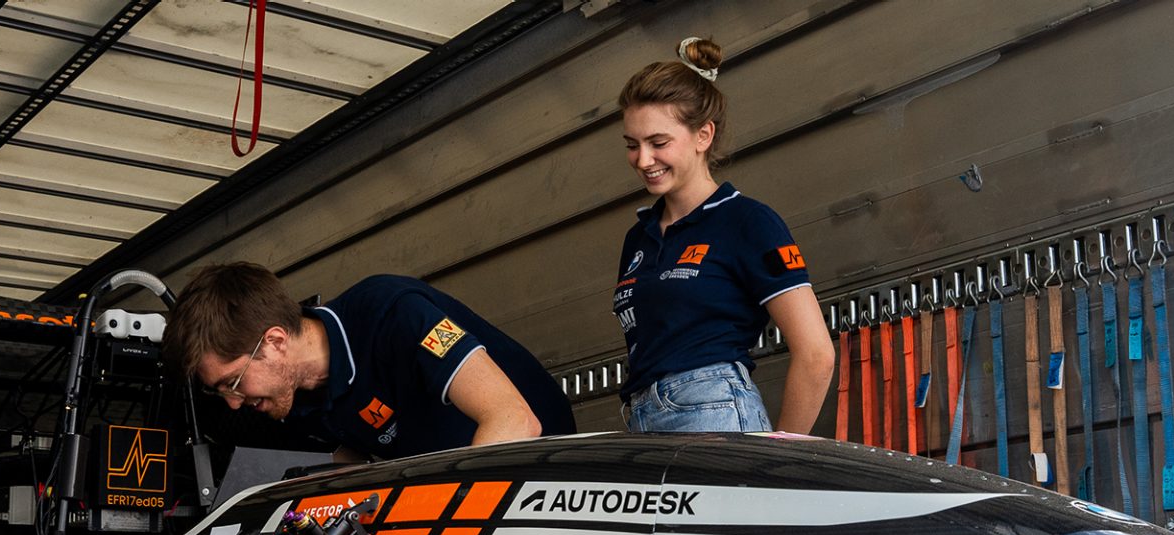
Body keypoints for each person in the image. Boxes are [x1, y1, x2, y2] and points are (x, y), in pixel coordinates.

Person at [612, 36, 833, 434]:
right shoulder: (637, 238)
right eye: (633, 145)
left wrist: (781, 454)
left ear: (703, 136)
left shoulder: (747, 221)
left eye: (658, 143)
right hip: (642, 417)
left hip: (712, 409)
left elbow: (816, 353)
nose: (643, 160)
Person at [165, 264, 575, 461]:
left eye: (233, 383)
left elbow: (515, 422)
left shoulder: (394, 315)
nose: (233, 403)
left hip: (552, 477)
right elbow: (356, 456)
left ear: (273, 342)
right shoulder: (297, 397)